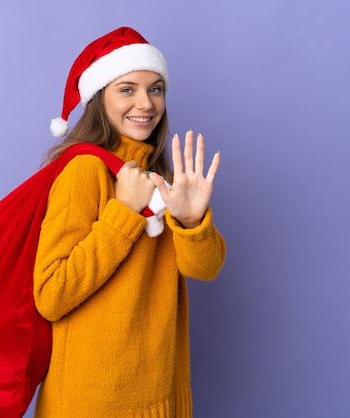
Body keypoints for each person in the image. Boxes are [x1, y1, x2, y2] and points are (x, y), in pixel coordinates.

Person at [33, 26, 226, 417]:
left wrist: (191, 223)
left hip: (159, 396)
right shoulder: (84, 172)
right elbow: (51, 294)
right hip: (93, 405)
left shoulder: (160, 178)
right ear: (99, 98)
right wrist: (124, 213)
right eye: (127, 89)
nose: (146, 102)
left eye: (155, 89)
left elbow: (204, 269)